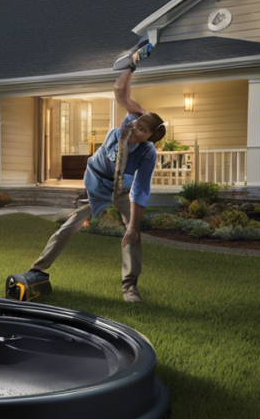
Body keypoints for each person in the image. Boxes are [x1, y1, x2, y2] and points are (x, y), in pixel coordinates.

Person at [24, 47, 166, 302]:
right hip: (97, 182)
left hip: (122, 189)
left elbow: (141, 190)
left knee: (133, 236)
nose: (135, 128)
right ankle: (38, 269)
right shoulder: (130, 120)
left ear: (150, 138)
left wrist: (132, 226)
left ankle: (129, 287)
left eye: (142, 130)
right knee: (70, 225)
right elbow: (120, 93)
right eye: (137, 123)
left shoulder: (147, 153)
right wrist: (130, 66)